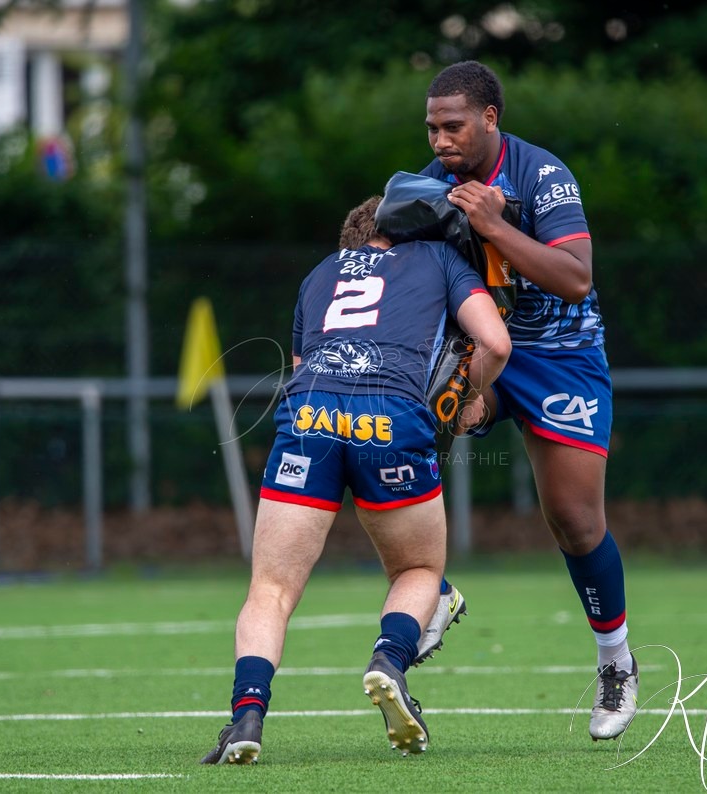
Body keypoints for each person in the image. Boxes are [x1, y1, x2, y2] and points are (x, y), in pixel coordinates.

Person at [200, 195, 511, 764]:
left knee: (271, 588)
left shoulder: (320, 272)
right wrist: (468, 397)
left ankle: (246, 715)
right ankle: (389, 658)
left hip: (309, 413)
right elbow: (496, 343)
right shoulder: (438, 258)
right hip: (391, 416)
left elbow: (302, 366)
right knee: (418, 570)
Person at [414, 60, 639, 741]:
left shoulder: (543, 175)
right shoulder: (429, 184)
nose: (441, 140)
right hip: (480, 349)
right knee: (395, 445)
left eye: (453, 126)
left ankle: (616, 661)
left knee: (574, 520)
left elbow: (576, 278)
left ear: (490, 119)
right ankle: (429, 593)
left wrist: (494, 224)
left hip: (561, 359)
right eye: (432, 128)